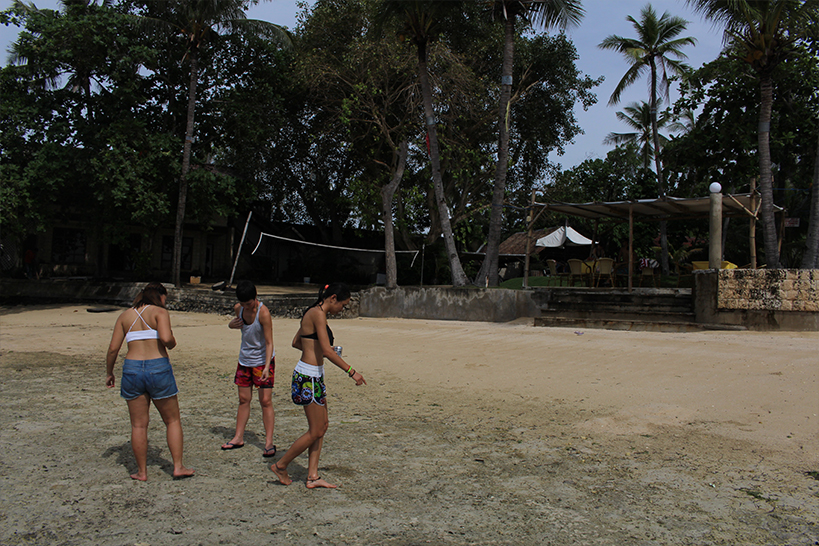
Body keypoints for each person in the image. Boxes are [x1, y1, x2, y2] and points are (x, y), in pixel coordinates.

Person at [270, 283, 366, 489]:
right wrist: (352, 372)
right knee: (315, 430)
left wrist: (314, 350)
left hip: (313, 375)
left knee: (322, 426)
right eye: (343, 305)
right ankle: (281, 465)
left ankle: (312, 476)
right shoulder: (318, 314)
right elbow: (327, 351)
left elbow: (296, 342)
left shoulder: (312, 312)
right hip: (308, 376)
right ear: (333, 298)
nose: (343, 309)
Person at [105, 282, 194, 481]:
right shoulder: (159, 312)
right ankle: (178, 466)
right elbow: (166, 339)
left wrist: (109, 372)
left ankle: (142, 472)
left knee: (138, 425)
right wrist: (173, 342)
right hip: (157, 367)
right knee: (172, 420)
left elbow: (113, 349)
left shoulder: (125, 316)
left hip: (132, 369)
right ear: (160, 296)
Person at [221, 280, 277, 457]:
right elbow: (236, 324)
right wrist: (230, 325)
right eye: (243, 304)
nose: (247, 307)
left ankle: (268, 442)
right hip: (245, 360)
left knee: (265, 401)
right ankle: (238, 437)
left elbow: (269, 342)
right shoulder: (239, 309)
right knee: (243, 399)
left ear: (255, 298)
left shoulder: (263, 313)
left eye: (249, 303)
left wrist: (267, 367)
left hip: (262, 361)